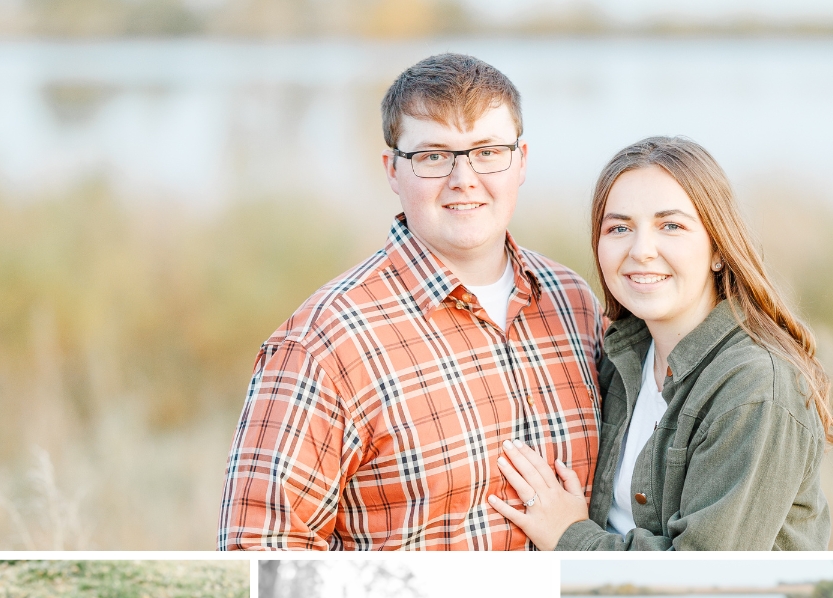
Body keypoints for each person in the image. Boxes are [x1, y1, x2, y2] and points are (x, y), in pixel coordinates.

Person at [219, 52, 603, 550]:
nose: (464, 178)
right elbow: (258, 548)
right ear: (393, 171)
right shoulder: (324, 344)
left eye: (487, 151)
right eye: (433, 156)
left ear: (521, 162)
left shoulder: (574, 302)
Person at [487, 136, 833, 550]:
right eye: (620, 227)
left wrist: (569, 536)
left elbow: (702, 579)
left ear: (719, 248)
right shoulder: (618, 358)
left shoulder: (754, 389)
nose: (642, 250)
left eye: (672, 226)